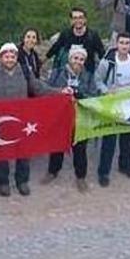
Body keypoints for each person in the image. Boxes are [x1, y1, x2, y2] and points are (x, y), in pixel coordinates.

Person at [0, 43, 63, 196]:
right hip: (0, 118)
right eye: (6, 56)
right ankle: (3, 182)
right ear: (1, 58)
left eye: (12, 56)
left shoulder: (25, 71)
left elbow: (38, 88)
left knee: (23, 150)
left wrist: (59, 92)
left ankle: (22, 181)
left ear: (16, 57)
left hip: (21, 118)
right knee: (1, 151)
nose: (9, 59)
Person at [95, 33, 130, 187]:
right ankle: (103, 172)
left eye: (127, 43)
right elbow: (98, 80)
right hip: (113, 103)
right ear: (116, 44)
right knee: (109, 139)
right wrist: (106, 91)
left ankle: (125, 166)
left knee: (127, 138)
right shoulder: (107, 62)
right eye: (122, 43)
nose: (124, 46)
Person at [44, 46, 98, 192]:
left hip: (79, 118)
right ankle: (53, 171)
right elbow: (47, 91)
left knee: (80, 148)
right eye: (76, 58)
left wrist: (80, 94)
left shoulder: (88, 76)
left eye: (81, 59)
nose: (78, 62)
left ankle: (80, 177)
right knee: (57, 145)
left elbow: (94, 96)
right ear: (70, 58)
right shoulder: (57, 73)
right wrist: (61, 92)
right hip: (61, 117)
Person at [46, 7, 106, 74]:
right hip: (67, 73)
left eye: (80, 17)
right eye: (75, 18)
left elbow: (102, 54)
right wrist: (43, 60)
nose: (78, 20)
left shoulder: (93, 36)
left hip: (87, 75)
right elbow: (55, 48)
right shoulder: (66, 34)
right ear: (71, 21)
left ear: (85, 20)